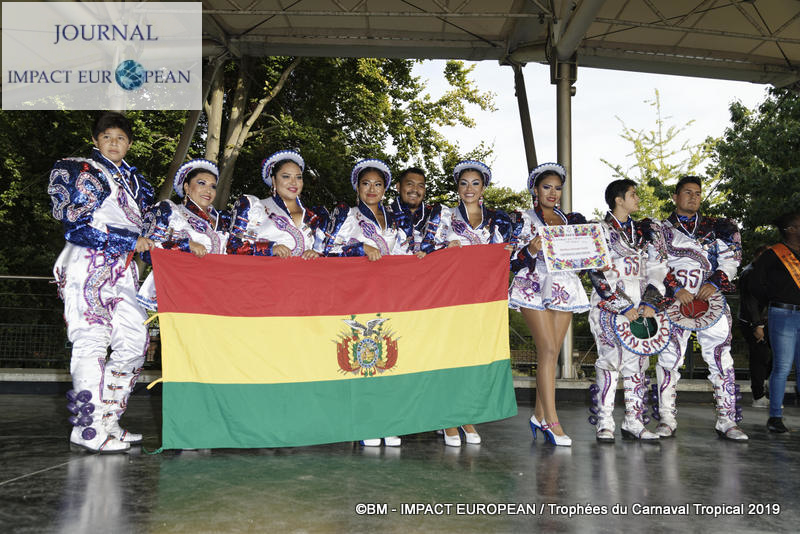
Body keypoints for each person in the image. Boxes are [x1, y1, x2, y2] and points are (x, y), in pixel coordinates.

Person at [48, 112, 154, 453]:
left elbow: (148, 236)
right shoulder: (81, 170)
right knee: (91, 341)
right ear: (96, 141)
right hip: (86, 265)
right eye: (106, 137)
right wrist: (128, 243)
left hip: (123, 272)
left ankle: (109, 421)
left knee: (135, 340)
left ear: (129, 143)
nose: (113, 142)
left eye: (120, 138)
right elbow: (74, 226)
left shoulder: (137, 183)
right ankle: (86, 428)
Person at [324, 159, 421, 447]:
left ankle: (386, 419)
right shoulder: (348, 214)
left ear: (385, 189)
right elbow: (327, 248)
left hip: (391, 295)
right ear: (357, 186)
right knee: (362, 357)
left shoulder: (397, 218)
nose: (372, 189)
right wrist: (360, 248)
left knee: (388, 359)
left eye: (378, 184)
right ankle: (364, 421)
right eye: (366, 183)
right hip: (358, 294)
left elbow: (410, 250)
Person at [656, 176, 747, 441]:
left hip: (712, 303)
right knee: (669, 359)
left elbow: (731, 261)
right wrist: (676, 288)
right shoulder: (658, 229)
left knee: (721, 358)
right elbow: (655, 265)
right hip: (673, 303)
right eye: (687, 192)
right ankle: (666, 418)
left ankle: (728, 420)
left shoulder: (720, 226)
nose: (693, 197)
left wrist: (716, 283)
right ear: (675, 196)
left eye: (697, 193)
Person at [431, 159, 514, 446]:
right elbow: (425, 249)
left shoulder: (497, 220)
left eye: (475, 183)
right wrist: (444, 248)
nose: (469, 188)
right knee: (449, 356)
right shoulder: (443, 216)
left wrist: (509, 251)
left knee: (473, 358)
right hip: (450, 298)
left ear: (484, 188)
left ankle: (466, 414)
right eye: (464, 183)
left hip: (482, 300)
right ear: (457, 187)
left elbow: (509, 256)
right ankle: (447, 417)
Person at [508, 162, 589, 447]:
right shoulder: (522, 219)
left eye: (557, 188)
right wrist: (531, 248)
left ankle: (539, 416)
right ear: (535, 189)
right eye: (547, 187)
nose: (553, 193)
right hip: (532, 285)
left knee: (552, 355)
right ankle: (553, 423)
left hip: (564, 287)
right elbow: (511, 261)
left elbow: (585, 255)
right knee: (548, 348)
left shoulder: (571, 221)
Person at [587, 179, 669, 442]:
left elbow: (657, 268)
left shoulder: (646, 232)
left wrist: (649, 301)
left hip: (641, 305)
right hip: (609, 305)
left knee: (638, 363)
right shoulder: (599, 230)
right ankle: (605, 422)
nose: (637, 198)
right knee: (611, 361)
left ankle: (633, 421)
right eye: (632, 194)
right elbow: (595, 271)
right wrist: (622, 305)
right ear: (618, 199)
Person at [137, 159, 231, 311]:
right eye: (202, 183)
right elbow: (148, 252)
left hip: (218, 295)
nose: (208, 190)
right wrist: (186, 245)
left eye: (213, 186)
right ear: (187, 187)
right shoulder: (171, 211)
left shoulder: (224, 220)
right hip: (180, 291)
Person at [747, 212, 800, 433]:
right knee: (783, 366)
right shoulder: (773, 255)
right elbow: (755, 285)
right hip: (783, 314)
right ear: (790, 229)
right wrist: (764, 311)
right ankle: (775, 417)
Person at [227, 150, 329, 258]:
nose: (294, 182)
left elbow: (326, 254)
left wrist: (315, 254)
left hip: (304, 274)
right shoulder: (255, 207)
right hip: (263, 273)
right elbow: (234, 247)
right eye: (286, 176)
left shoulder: (314, 217)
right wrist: (270, 249)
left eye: (298, 177)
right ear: (274, 180)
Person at [738, 245, 772, 408]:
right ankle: (758, 395)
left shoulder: (756, 271)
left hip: (760, 321)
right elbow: (750, 302)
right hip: (754, 322)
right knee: (760, 357)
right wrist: (757, 325)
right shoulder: (752, 273)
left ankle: (763, 388)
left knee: (767, 356)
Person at [387, 167, 443, 254]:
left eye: (420, 186)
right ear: (398, 187)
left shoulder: (438, 215)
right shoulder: (384, 215)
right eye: (410, 184)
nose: (415, 190)